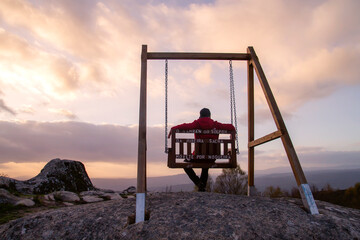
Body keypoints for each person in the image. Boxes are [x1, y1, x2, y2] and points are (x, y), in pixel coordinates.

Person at [168, 108, 235, 192]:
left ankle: (199, 183)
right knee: (205, 166)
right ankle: (201, 188)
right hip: (212, 157)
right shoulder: (215, 124)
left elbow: (186, 126)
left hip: (198, 157)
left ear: (200, 116)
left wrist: (173, 128)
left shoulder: (197, 123)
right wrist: (233, 135)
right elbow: (231, 127)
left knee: (185, 164)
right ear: (209, 116)